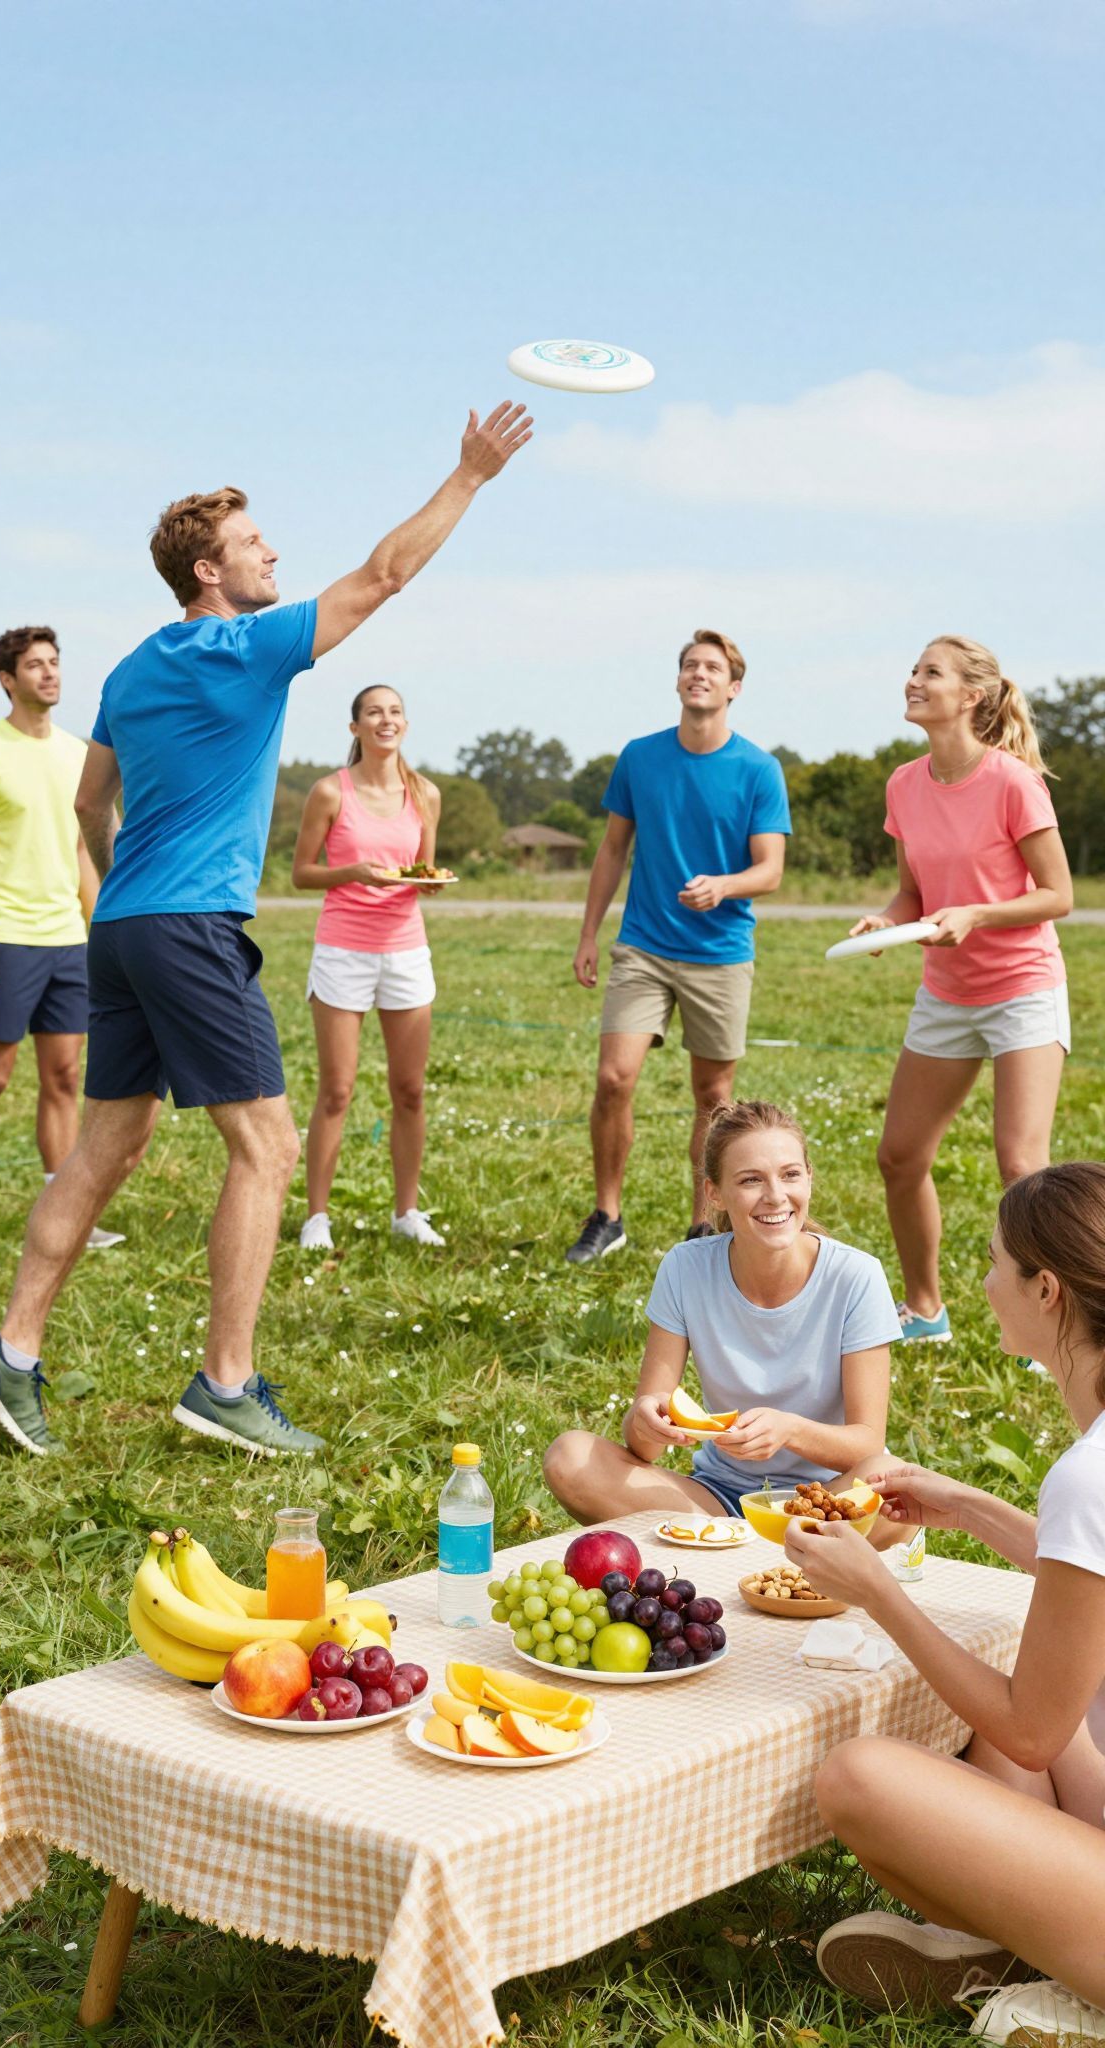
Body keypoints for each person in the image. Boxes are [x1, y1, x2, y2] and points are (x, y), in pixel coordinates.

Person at [0, 401, 532, 1458]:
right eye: (255, 543)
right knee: (265, 1145)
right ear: (208, 571)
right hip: (188, 928)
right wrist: (471, 476)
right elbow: (385, 574)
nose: (273, 554)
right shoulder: (247, 647)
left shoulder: (132, 670)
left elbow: (89, 800)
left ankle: (13, 1348)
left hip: (122, 927)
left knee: (107, 1142)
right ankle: (225, 1384)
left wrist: (127, 884)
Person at [790, 1163, 1105, 2040]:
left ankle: (1066, 1977)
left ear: (1047, 1290)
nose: (984, 1281)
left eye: (995, 1262)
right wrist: (965, 1506)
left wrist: (877, 1592)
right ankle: (1027, 1946)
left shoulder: (1089, 1477)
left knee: (860, 1778)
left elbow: (1032, 1733)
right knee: (1023, 1678)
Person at [850, 636, 1073, 1342]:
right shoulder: (903, 784)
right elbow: (912, 893)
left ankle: (1053, 1328)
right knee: (899, 1157)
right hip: (947, 994)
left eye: (931, 672)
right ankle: (925, 1310)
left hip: (1022, 987)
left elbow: (1058, 895)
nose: (913, 680)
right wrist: (887, 922)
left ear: (971, 696)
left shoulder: (1013, 782)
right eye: (913, 669)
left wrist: (976, 914)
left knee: (1022, 1167)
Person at [544, 1100, 904, 1526]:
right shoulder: (686, 1268)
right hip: (717, 1498)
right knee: (570, 1457)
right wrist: (646, 1422)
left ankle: (745, 1546)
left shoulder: (856, 1276)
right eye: (751, 1180)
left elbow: (867, 1443)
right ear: (714, 1193)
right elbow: (645, 1445)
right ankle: (749, 1543)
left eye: (790, 1174)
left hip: (828, 1501)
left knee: (891, 1480)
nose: (776, 1195)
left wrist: (789, 1431)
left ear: (809, 1177)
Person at [565, 629, 790, 1264]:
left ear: (733, 687)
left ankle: (702, 1227)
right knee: (614, 1078)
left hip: (720, 952)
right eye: (690, 664)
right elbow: (613, 849)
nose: (699, 673)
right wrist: (589, 933)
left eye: (712, 667)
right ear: (678, 680)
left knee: (714, 1098)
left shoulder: (758, 769)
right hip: (644, 945)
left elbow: (770, 870)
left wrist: (724, 885)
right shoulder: (640, 757)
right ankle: (607, 1216)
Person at [0, 626, 123, 1257]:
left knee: (64, 1076)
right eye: (34, 665)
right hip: (4, 937)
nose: (49, 673)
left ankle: (65, 1213)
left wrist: (103, 931)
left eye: (54, 662)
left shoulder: (78, 754)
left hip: (66, 941)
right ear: (7, 679)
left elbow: (82, 851)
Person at [292, 683, 444, 1250]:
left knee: (410, 1090)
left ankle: (407, 1212)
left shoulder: (425, 794)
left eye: (395, 711)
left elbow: (424, 870)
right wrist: (351, 873)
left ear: (406, 723)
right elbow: (301, 873)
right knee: (336, 1090)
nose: (387, 719)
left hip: (405, 951)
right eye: (374, 712)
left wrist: (427, 881)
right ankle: (317, 1218)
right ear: (355, 728)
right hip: (343, 951)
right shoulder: (331, 792)